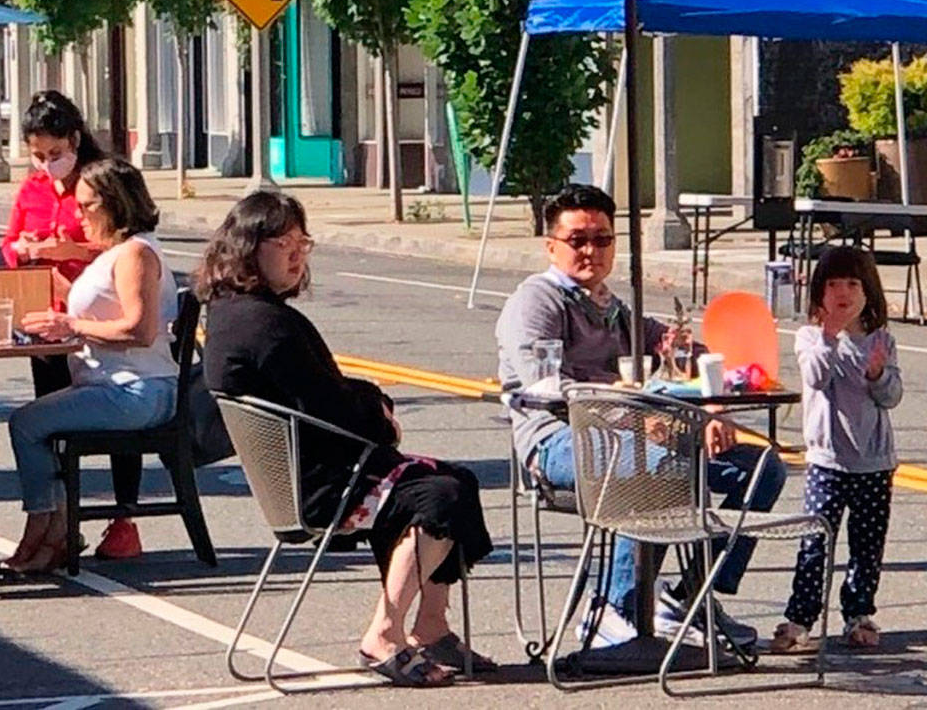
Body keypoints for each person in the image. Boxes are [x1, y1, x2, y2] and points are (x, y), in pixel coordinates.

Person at [199, 191, 494, 687]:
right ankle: (384, 633)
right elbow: (326, 405)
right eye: (283, 242)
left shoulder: (233, 313)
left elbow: (320, 392)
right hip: (321, 484)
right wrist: (379, 417)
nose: (296, 254)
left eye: (302, 243)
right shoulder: (266, 325)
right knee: (441, 494)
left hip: (306, 472)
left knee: (452, 477)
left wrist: (368, 400)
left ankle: (431, 625)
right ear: (248, 248)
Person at [496, 183, 785, 649]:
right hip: (555, 443)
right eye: (578, 240)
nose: (591, 250)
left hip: (629, 438)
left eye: (603, 240)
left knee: (761, 470)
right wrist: (630, 411)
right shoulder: (537, 301)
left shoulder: (611, 307)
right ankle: (613, 606)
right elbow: (545, 387)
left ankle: (689, 597)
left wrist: (707, 398)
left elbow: (680, 347)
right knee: (662, 463)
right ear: (552, 246)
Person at [6, 157, 179, 573]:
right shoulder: (116, 254)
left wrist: (69, 323)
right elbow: (102, 309)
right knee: (39, 424)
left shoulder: (136, 253)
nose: (78, 216)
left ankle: (45, 527)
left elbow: (138, 330)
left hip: (136, 388)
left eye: (87, 206)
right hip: (118, 385)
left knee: (26, 424)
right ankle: (54, 529)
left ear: (114, 204)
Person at [1, 91, 143, 560]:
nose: (47, 165)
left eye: (55, 154)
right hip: (51, 317)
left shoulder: (100, 184)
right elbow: (8, 244)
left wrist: (71, 252)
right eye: (38, 156)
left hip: (100, 312)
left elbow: (123, 248)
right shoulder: (33, 189)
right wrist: (25, 249)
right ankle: (62, 518)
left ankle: (124, 519)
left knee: (120, 423)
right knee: (50, 414)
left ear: (75, 140)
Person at [772, 246, 900, 653]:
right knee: (815, 541)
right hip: (827, 461)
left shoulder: (881, 339)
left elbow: (892, 396)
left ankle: (859, 613)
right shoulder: (810, 337)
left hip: (874, 462)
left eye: (852, 283)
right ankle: (800, 618)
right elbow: (815, 376)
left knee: (867, 545)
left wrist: (878, 373)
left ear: (869, 292)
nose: (842, 292)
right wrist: (829, 337)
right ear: (818, 294)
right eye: (832, 285)